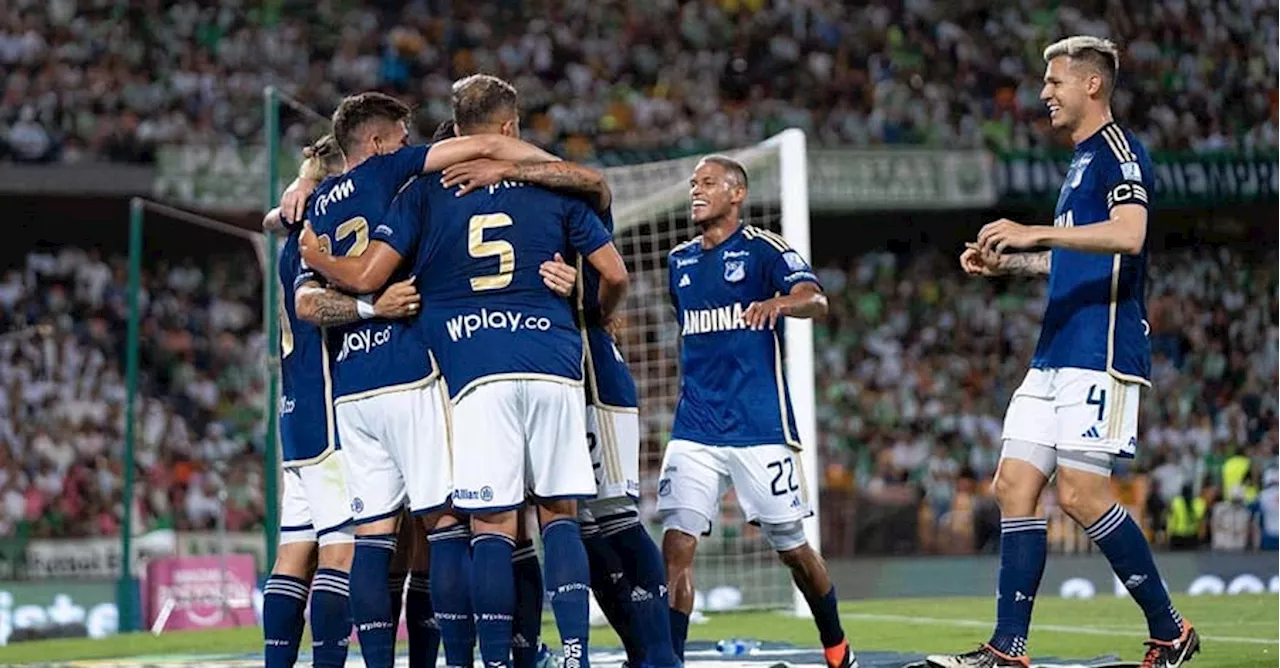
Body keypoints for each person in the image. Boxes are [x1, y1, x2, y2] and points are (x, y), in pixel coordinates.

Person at [300, 75, 629, 668]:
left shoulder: (347, 203)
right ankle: (549, 654)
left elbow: (356, 278)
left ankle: (468, 661)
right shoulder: (410, 177)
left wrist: (319, 251)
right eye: (401, 138)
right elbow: (510, 157)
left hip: (374, 383)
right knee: (506, 519)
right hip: (458, 370)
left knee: (390, 534)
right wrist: (591, 310)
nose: (410, 146)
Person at [926, 36, 1198, 668]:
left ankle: (1172, 629)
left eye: (1054, 82)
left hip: (1100, 348)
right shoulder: (1078, 163)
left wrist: (1033, 229)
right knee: (1013, 484)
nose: (1044, 93)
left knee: (1080, 494)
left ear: (1091, 85)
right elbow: (1071, 255)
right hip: (1054, 350)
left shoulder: (1119, 153)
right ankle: (1007, 648)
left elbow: (1130, 236)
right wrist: (1011, 262)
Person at [442, 130, 681, 668]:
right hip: (541, 375)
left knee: (606, 515)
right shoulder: (494, 206)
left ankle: (660, 655)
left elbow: (597, 190)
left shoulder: (565, 193)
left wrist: (586, 297)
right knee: (552, 521)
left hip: (590, 373)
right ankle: (578, 653)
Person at [657, 154, 856, 668]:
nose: (695, 191)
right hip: (694, 428)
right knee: (676, 544)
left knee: (793, 550)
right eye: (693, 183)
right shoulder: (678, 261)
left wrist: (780, 304)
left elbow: (816, 300)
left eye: (707, 183)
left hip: (758, 428)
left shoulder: (764, 249)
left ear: (736, 194)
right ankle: (668, 660)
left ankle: (836, 646)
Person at [260, 134, 419, 668]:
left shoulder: (291, 238)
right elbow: (315, 306)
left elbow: (271, 219)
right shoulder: (317, 239)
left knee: (293, 551)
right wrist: (375, 307)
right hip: (329, 410)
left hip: (294, 412)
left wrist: (301, 182)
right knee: (342, 551)